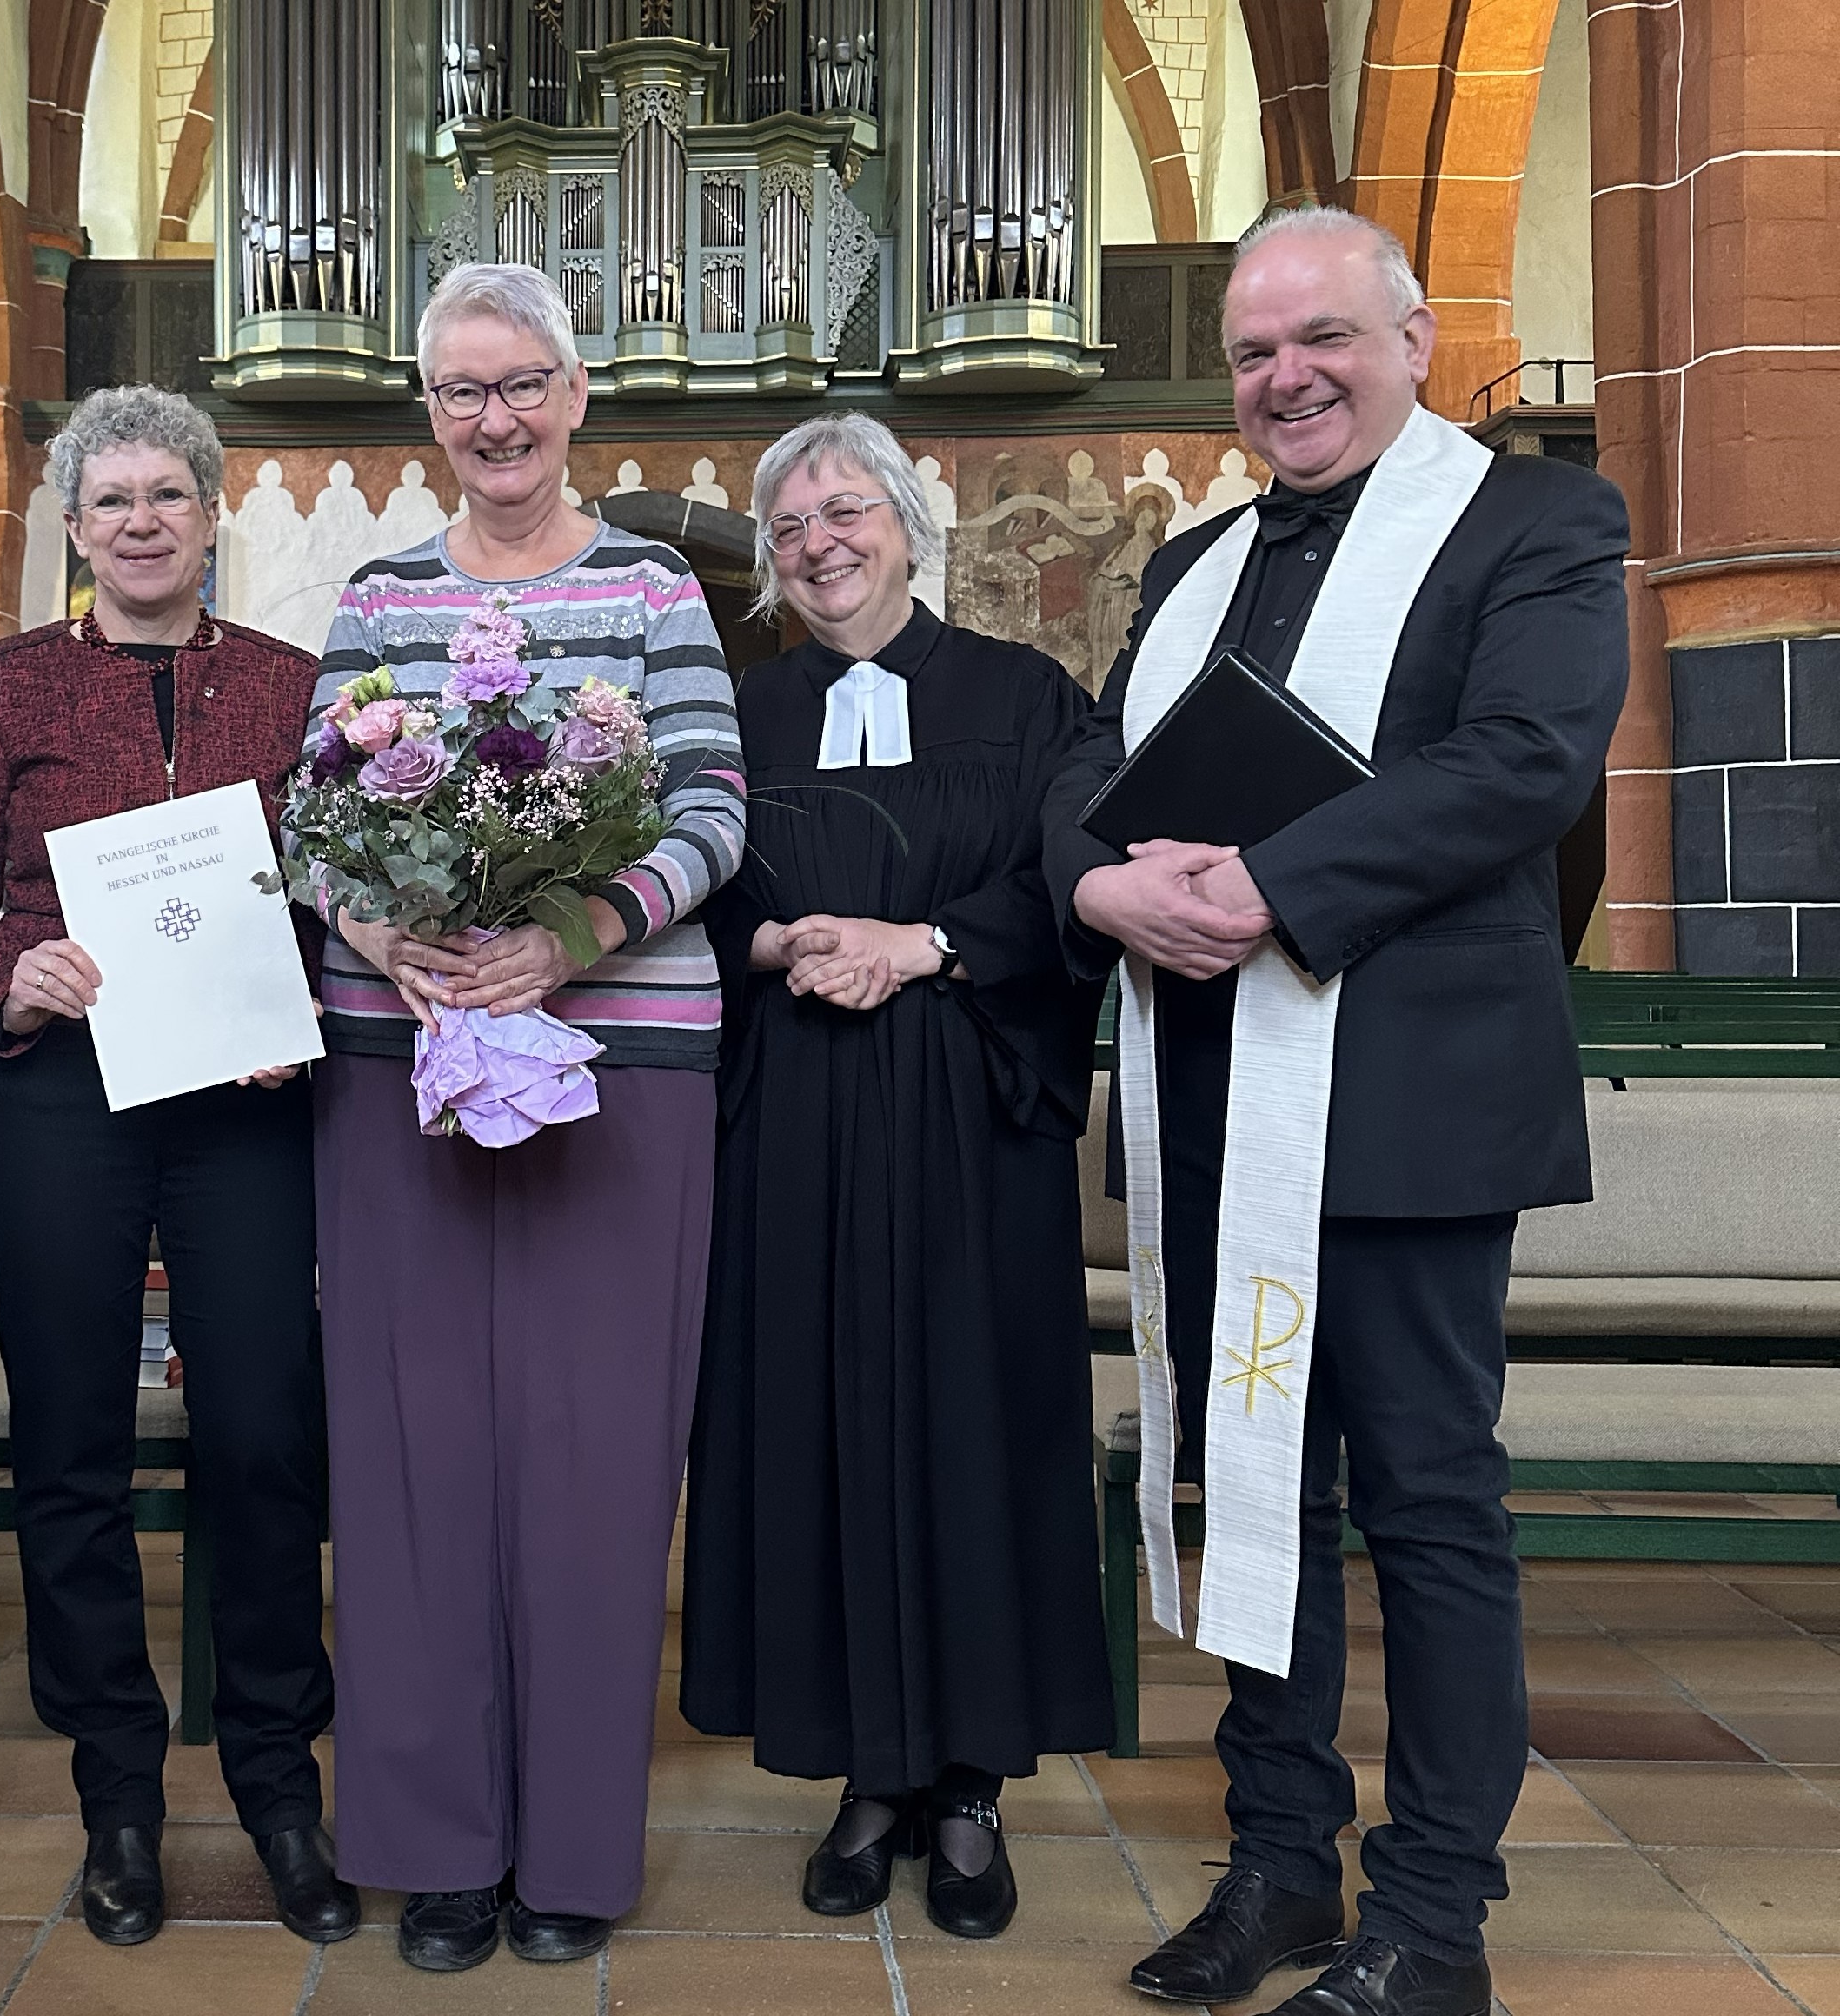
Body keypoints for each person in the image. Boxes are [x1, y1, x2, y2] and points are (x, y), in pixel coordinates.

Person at [1040, 207, 1629, 2016]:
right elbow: (1099, 762)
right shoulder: (1197, 556)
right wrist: (1093, 882)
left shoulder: (1534, 521)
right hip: (1222, 1091)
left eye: (1325, 339)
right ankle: (1283, 1859)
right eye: (1253, 351)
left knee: (1432, 1507)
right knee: (1258, 1494)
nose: (1287, 376)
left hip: (1413, 1102)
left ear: (1414, 337)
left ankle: (1432, 1915)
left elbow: (1525, 758)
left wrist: (1260, 885)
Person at [304, 262, 744, 1973]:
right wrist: (372, 923)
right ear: (431, 414)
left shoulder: (651, 586)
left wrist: (572, 931)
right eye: (460, 390)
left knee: (591, 1465)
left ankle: (568, 1843)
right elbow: (315, 810)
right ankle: (438, 1849)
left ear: (575, 398)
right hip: (394, 1061)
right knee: (411, 1464)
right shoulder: (378, 589)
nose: (492, 417)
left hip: (619, 1071)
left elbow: (712, 803)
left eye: (522, 384)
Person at [0, 386, 350, 1948]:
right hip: (62, 1107)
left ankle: (276, 1782)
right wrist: (11, 978)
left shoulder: (299, 687)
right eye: (111, 501)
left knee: (260, 1436)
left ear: (212, 508)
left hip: (245, 1107)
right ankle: (116, 1790)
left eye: (168, 494)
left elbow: (338, 896)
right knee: (74, 1451)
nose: (142, 522)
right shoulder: (5, 684)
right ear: (74, 525)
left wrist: (290, 1012)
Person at [681, 412, 1114, 1938]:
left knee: (971, 1426)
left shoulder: (1027, 696)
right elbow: (683, 900)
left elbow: (1074, 881)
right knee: (821, 1426)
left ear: (910, 524)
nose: (818, 543)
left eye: (844, 511)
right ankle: (867, 1773)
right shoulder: (737, 712)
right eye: (789, 525)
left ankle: (975, 1784)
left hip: (967, 1112)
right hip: (795, 1121)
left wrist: (925, 945)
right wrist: (777, 943)